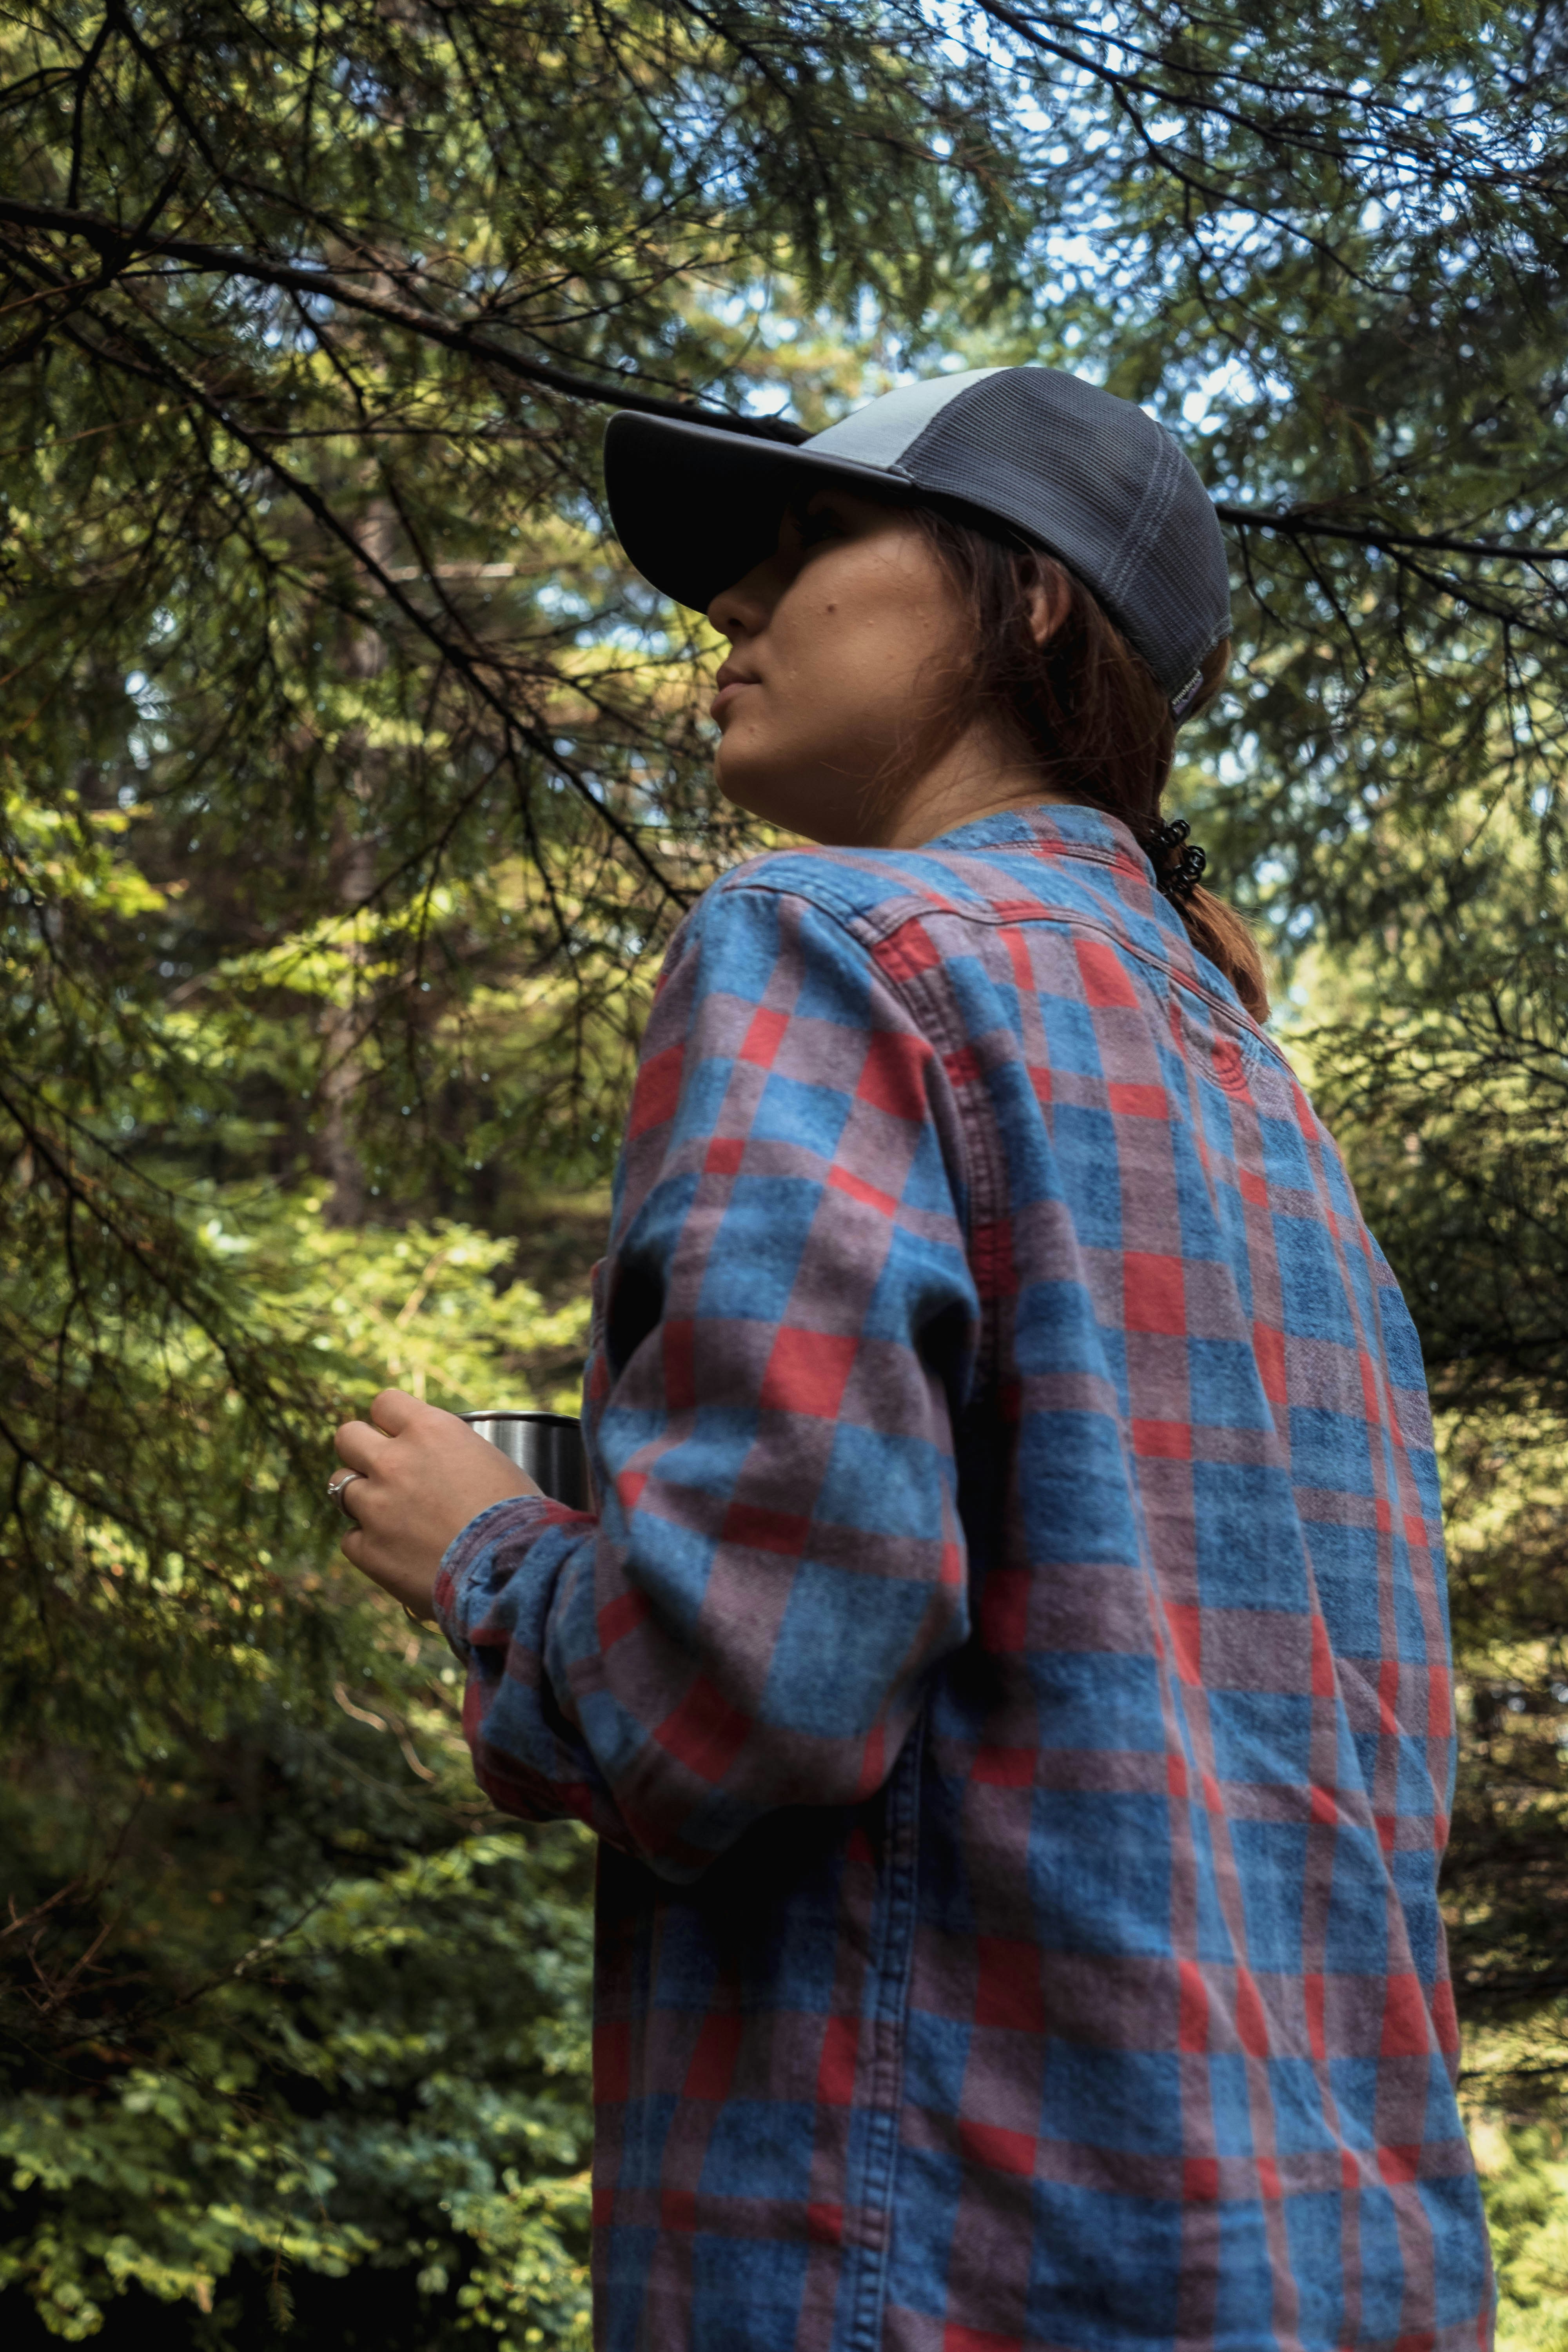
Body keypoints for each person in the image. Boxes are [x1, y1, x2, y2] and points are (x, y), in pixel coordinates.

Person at [329, 368, 1495, 2350]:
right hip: (1330, 2264)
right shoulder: (1262, 1102)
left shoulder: (830, 944)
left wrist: (493, 1557)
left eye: (806, 549)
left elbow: (747, 1690)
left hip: (951, 2262)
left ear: (1026, 603)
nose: (730, 612)